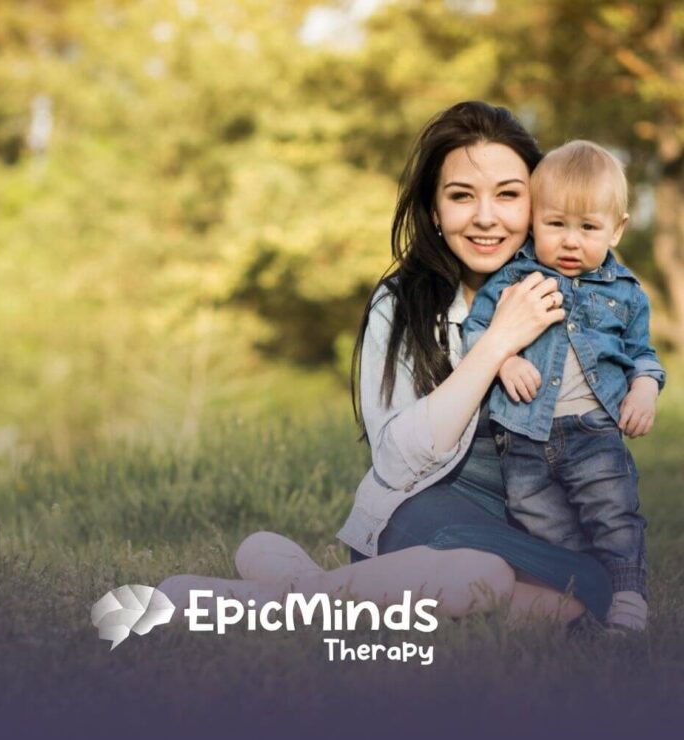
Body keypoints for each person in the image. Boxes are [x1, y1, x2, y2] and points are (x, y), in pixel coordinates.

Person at [160, 101, 613, 625]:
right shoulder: (401, 305)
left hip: (528, 526)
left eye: (508, 195)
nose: (486, 217)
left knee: (578, 604)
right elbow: (396, 464)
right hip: (423, 508)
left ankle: (304, 587)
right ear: (435, 210)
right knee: (483, 577)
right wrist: (495, 344)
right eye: (461, 196)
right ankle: (263, 606)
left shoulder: (575, 296)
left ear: (536, 203)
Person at [462, 140, 665, 630]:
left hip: (594, 430)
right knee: (541, 522)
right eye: (556, 224)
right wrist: (505, 360)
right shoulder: (513, 279)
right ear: (534, 221)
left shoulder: (625, 293)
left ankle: (627, 595)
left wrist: (644, 389)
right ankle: (583, 595)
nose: (571, 242)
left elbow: (642, 354)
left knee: (612, 511)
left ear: (616, 228)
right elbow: (476, 331)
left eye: (588, 228)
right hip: (522, 437)